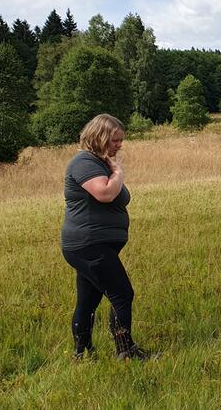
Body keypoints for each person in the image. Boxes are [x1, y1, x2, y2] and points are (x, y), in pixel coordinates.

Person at [61, 113, 150, 360]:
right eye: (115, 140)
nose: (119, 145)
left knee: (88, 299)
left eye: (121, 140)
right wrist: (119, 171)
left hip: (92, 245)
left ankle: (82, 353)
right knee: (122, 293)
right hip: (88, 245)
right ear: (99, 137)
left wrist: (112, 169)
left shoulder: (98, 163)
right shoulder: (84, 162)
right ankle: (126, 351)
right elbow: (105, 193)